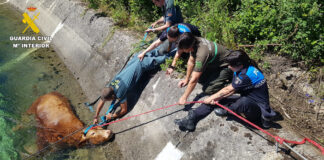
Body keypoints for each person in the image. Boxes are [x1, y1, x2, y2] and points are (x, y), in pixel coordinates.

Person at [174, 50, 277, 131]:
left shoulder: (245, 75)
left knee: (238, 101)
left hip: (256, 109)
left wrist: (212, 97)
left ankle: (228, 110)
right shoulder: (245, 67)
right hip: (248, 99)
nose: (228, 66)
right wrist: (216, 97)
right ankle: (192, 118)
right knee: (217, 97)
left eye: (230, 65)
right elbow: (232, 90)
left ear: (239, 64)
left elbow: (229, 89)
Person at [93, 41, 177, 124]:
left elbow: (124, 110)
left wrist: (112, 116)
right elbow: (102, 100)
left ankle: (179, 48)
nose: (107, 101)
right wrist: (96, 116)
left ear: (112, 96)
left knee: (165, 58)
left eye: (109, 100)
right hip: (137, 57)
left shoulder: (120, 93)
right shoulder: (110, 85)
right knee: (157, 51)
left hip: (143, 63)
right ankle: (170, 41)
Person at [176, 33, 233, 105]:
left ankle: (232, 85)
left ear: (189, 47)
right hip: (217, 62)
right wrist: (186, 79)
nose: (182, 51)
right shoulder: (194, 40)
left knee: (208, 90)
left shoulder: (202, 54)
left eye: (183, 49)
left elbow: (194, 80)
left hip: (229, 65)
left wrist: (184, 97)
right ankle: (217, 77)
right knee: (201, 78)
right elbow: (191, 61)